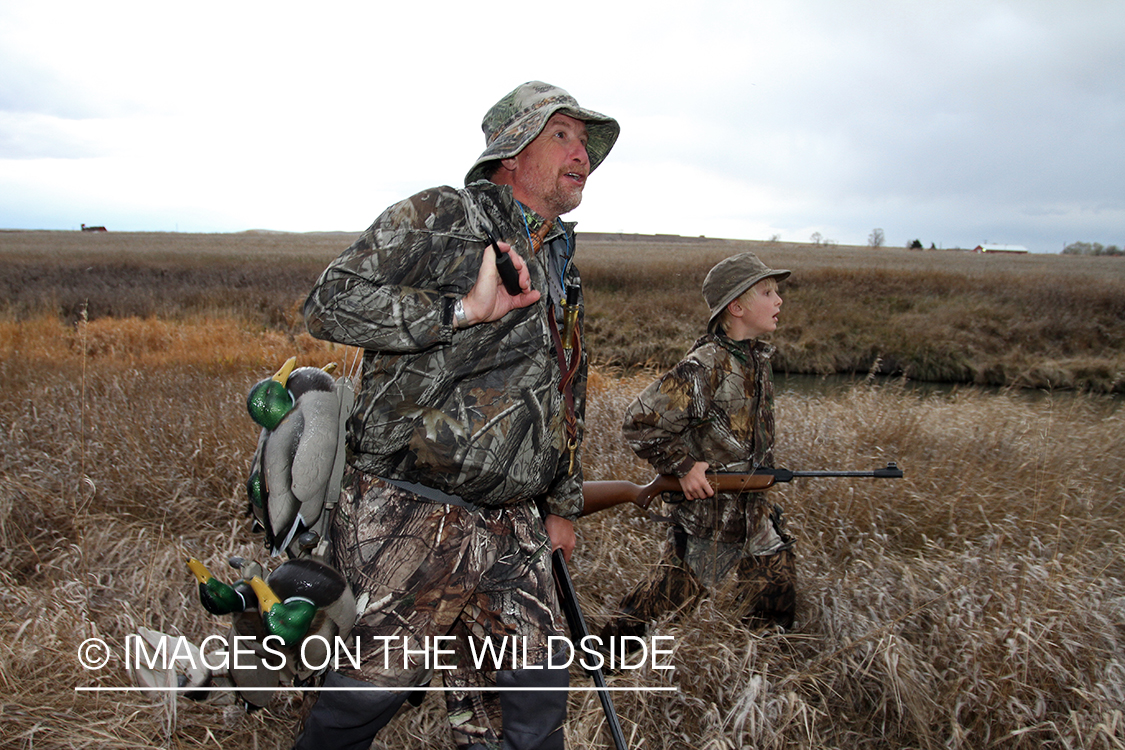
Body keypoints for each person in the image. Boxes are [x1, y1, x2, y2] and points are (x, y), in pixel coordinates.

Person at [296, 82, 619, 750]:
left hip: (513, 524)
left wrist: (559, 503)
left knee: (531, 700)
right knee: (365, 695)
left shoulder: (559, 259)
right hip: (413, 508)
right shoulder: (446, 215)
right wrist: (457, 312)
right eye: (562, 134)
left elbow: (564, 388)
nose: (581, 153)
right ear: (512, 150)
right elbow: (329, 302)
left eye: (585, 142)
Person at [599, 252, 797, 650]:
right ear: (737, 307)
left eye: (777, 292)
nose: (779, 301)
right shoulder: (704, 367)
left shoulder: (756, 360)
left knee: (777, 587)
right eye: (767, 292)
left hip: (752, 508)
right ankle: (601, 660)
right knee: (666, 601)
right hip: (713, 518)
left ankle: (762, 665)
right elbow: (639, 421)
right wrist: (684, 466)